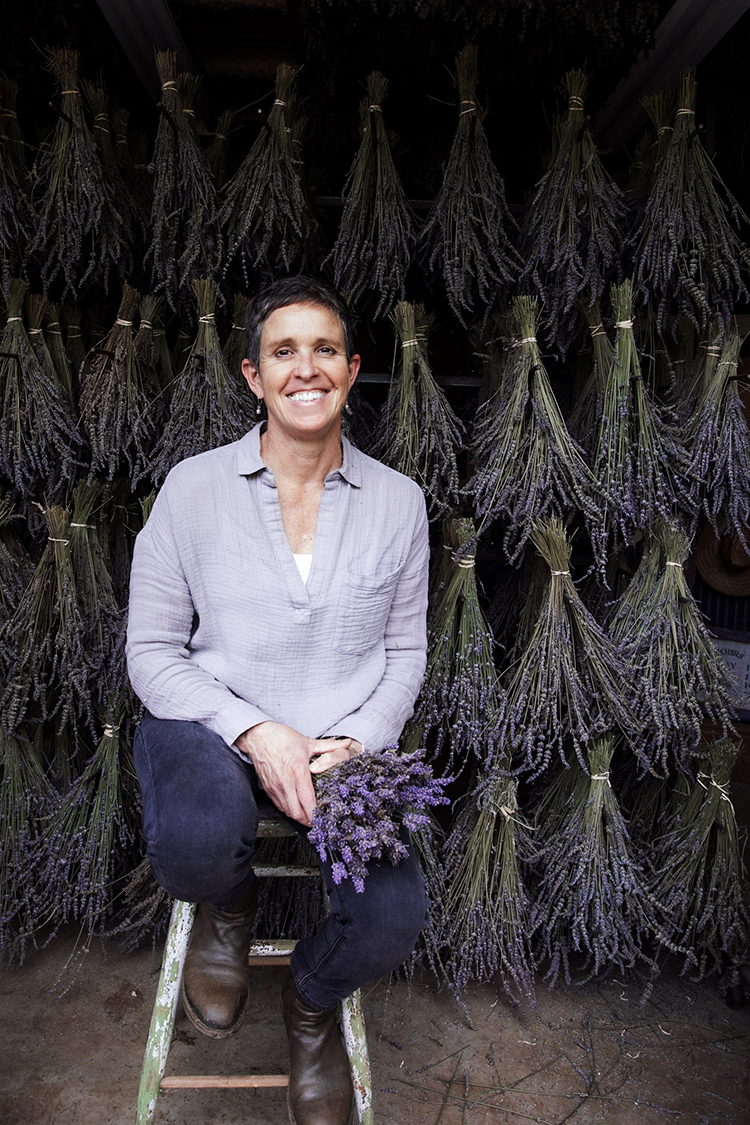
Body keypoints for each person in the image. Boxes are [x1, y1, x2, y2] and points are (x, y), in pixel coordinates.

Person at [126, 275, 430, 1125]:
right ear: (253, 376)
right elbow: (150, 652)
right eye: (283, 351)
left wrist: (356, 741)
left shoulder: (399, 504)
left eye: (325, 350)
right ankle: (228, 905)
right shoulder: (193, 489)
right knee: (194, 839)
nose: (307, 369)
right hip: (212, 723)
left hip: (341, 746)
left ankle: (308, 1001)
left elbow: (407, 650)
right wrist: (256, 730)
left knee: (391, 918)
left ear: (353, 368)